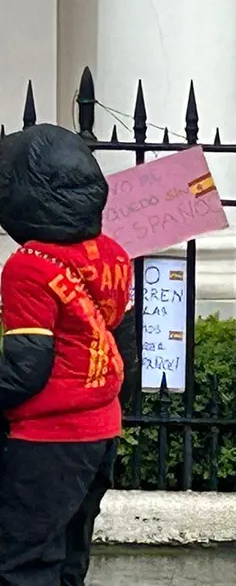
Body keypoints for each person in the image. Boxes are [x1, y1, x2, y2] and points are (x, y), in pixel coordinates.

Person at [0, 124, 138, 586]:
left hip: (46, 437)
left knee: (23, 562)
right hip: (101, 430)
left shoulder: (28, 266)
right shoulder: (114, 254)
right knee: (70, 559)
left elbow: (26, 366)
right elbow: (126, 339)